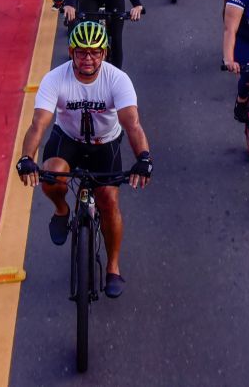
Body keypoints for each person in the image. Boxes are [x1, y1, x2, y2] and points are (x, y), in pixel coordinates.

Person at [16, 19, 151, 299]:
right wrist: (26, 158)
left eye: (94, 52)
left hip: (106, 143)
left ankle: (113, 267)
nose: (88, 58)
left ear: (104, 53)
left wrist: (143, 158)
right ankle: (62, 210)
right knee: (51, 175)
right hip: (68, 140)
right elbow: (39, 124)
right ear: (71, 52)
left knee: (108, 201)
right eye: (81, 52)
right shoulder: (55, 78)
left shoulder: (117, 79)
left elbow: (133, 124)